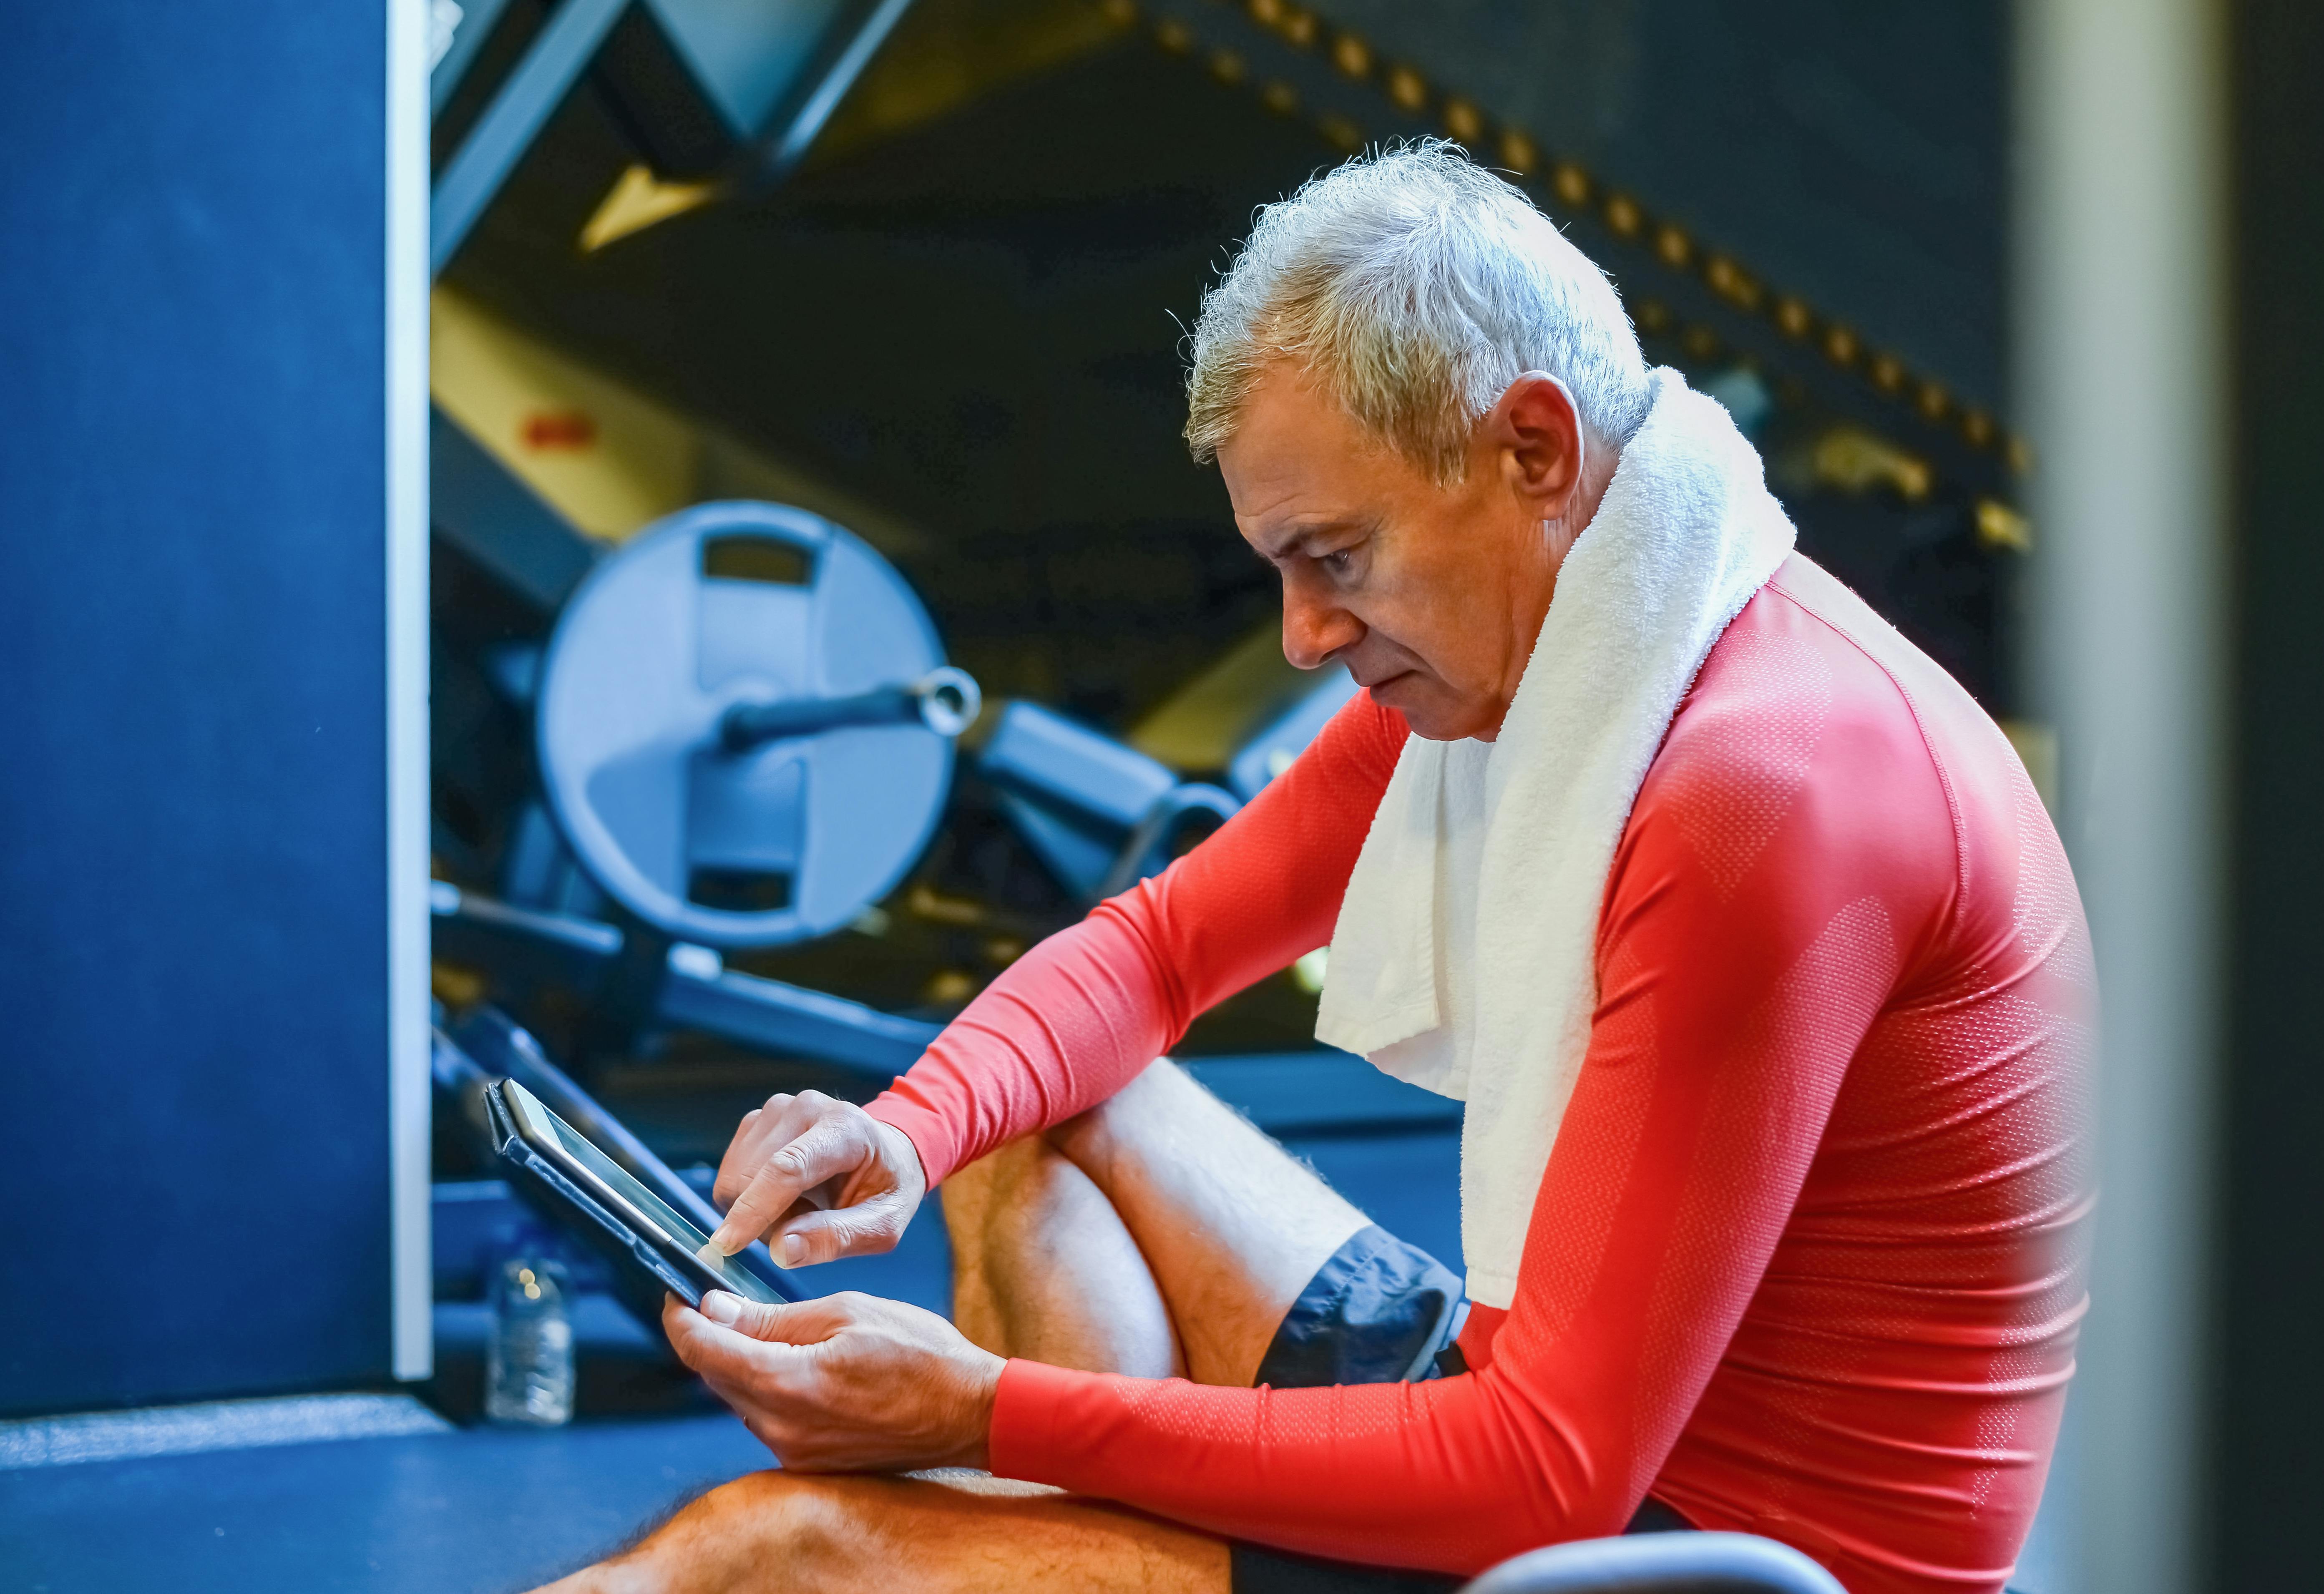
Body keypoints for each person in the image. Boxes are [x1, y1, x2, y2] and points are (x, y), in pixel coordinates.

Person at [544, 144, 2092, 1594]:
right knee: (1039, 1117)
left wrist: (977, 1418)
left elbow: (1544, 1471)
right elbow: (1153, 952)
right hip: (1566, 1435)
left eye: (1335, 560)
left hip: (1674, 1553)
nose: (1301, 636)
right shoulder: (1578, 638)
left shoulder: (1760, 790)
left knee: (775, 1548)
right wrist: (905, 1133)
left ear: (1532, 450)